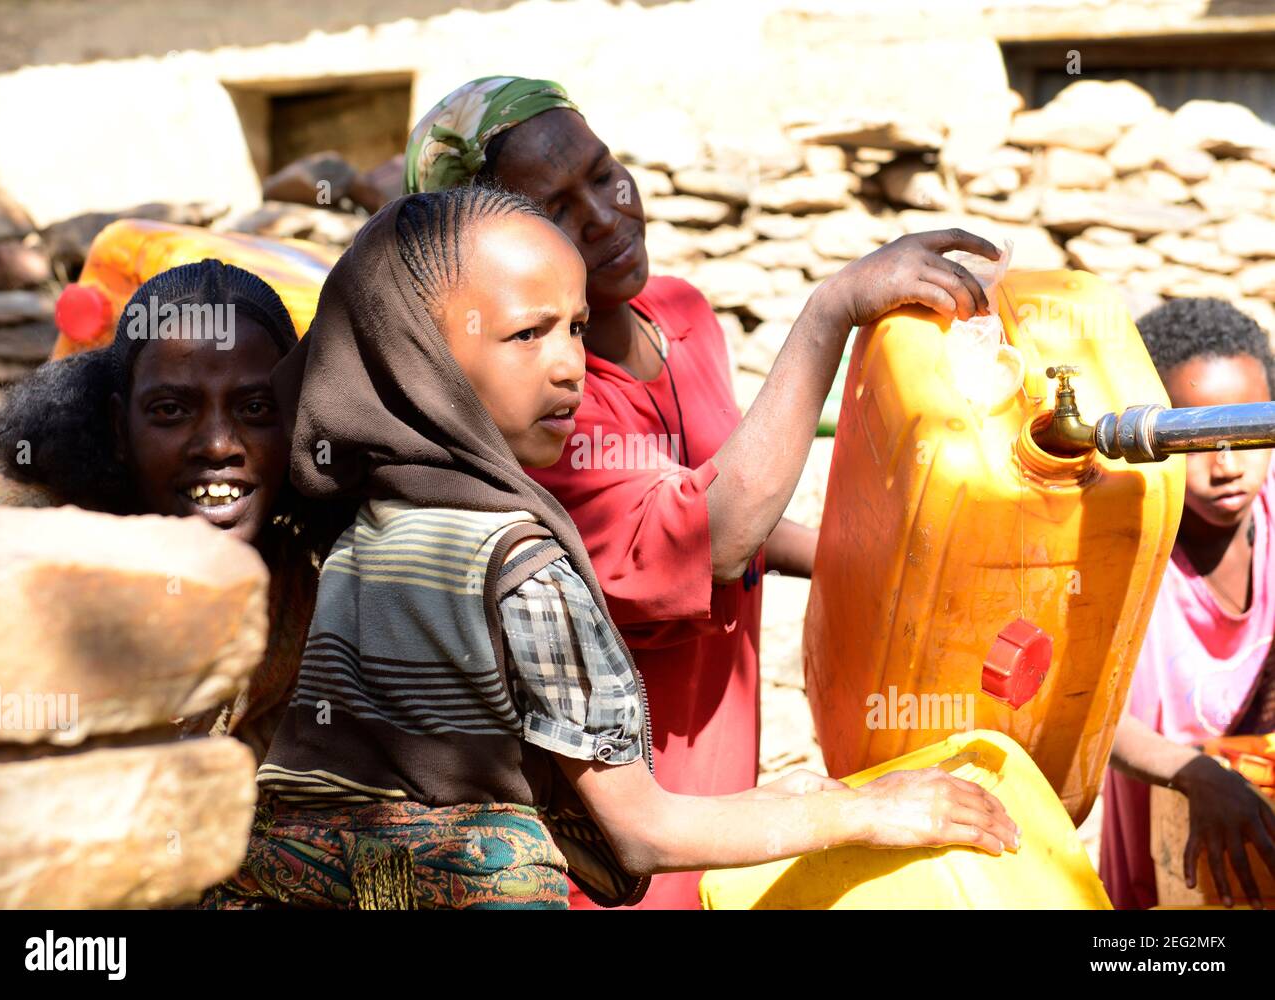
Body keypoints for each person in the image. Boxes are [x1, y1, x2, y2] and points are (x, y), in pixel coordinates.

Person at [203, 187, 1019, 910]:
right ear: (419, 355)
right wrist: (865, 812)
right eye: (527, 335)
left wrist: (779, 797)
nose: (569, 367)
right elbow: (644, 834)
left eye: (578, 328)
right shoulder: (522, 569)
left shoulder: (359, 525)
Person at [404, 76, 1003, 906]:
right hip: (619, 850)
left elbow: (727, 500)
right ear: (492, 256)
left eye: (604, 175)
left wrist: (885, 557)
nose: (608, 215)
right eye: (558, 209)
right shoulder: (527, 415)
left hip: (722, 811)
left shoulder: (679, 313)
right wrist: (830, 312)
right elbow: (714, 536)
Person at [0, 260, 346, 761]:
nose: (218, 445)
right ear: (118, 426)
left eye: (256, 408)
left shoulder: (295, 590)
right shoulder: (19, 535)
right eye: (171, 410)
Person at [1102, 297, 1275, 909]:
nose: (1226, 465)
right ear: (1152, 438)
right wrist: (1194, 774)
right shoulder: (1121, 549)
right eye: (1196, 437)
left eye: (1249, 433)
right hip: (1163, 859)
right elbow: (1089, 711)